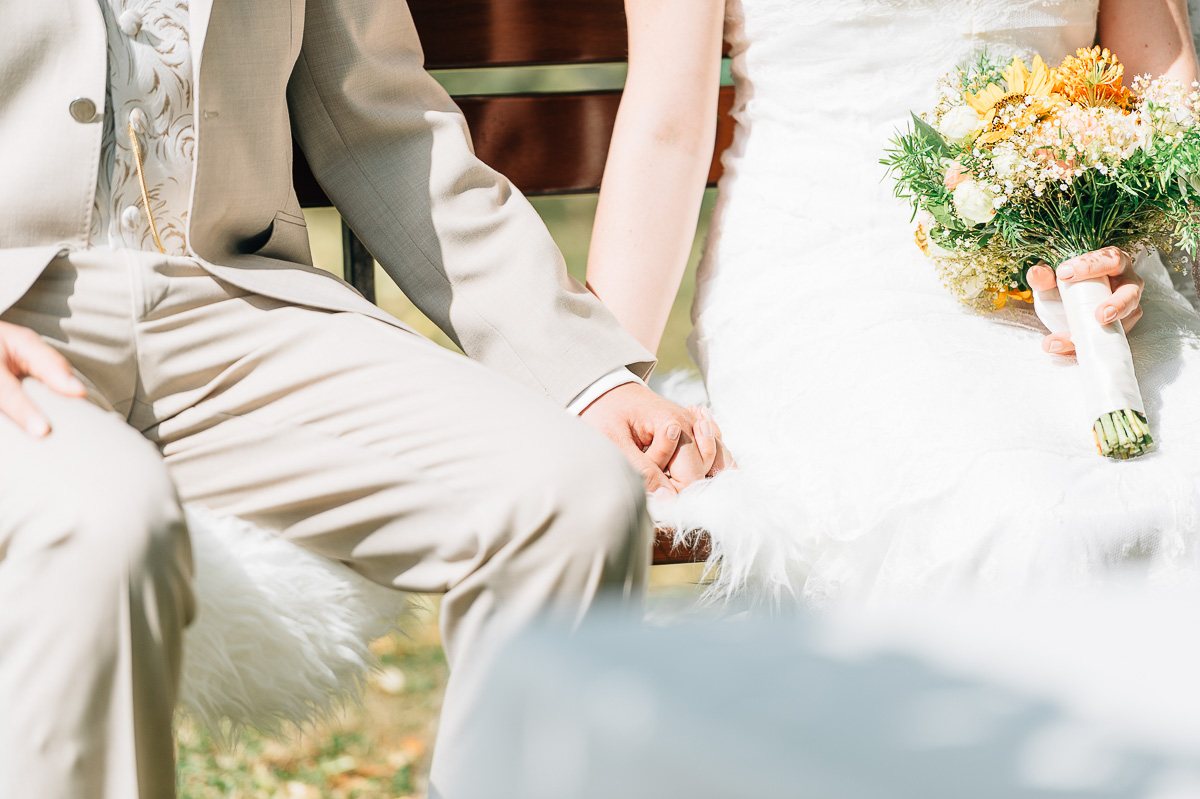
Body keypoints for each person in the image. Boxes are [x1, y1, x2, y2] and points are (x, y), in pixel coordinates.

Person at [0, 1, 729, 797]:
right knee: (98, 526)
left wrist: (586, 375)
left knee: (577, 495)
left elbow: (384, 119)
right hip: (14, 318)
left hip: (235, 306)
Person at [587, 0, 1200, 605]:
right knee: (1017, 509)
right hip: (830, 265)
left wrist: (1116, 244)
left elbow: (1165, 100)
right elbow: (665, 133)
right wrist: (607, 384)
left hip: (1089, 255)